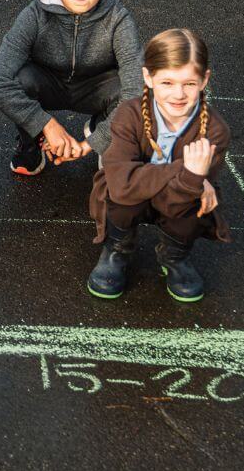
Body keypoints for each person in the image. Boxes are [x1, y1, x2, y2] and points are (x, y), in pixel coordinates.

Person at [86, 28, 231, 302]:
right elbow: (123, 186)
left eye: (189, 83)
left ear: (204, 80)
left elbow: (179, 201)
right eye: (167, 82)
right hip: (129, 198)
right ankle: (117, 249)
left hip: (179, 200)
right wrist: (185, 171)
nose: (178, 94)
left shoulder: (215, 131)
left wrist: (192, 182)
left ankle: (174, 256)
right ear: (148, 78)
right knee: (119, 196)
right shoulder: (129, 114)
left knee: (197, 205)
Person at [0, 0, 142, 175]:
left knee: (133, 88)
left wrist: (93, 143)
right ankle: (31, 143)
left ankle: (105, 132)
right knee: (19, 79)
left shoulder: (119, 19)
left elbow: (135, 93)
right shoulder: (34, 16)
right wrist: (45, 124)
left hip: (95, 89)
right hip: (49, 85)